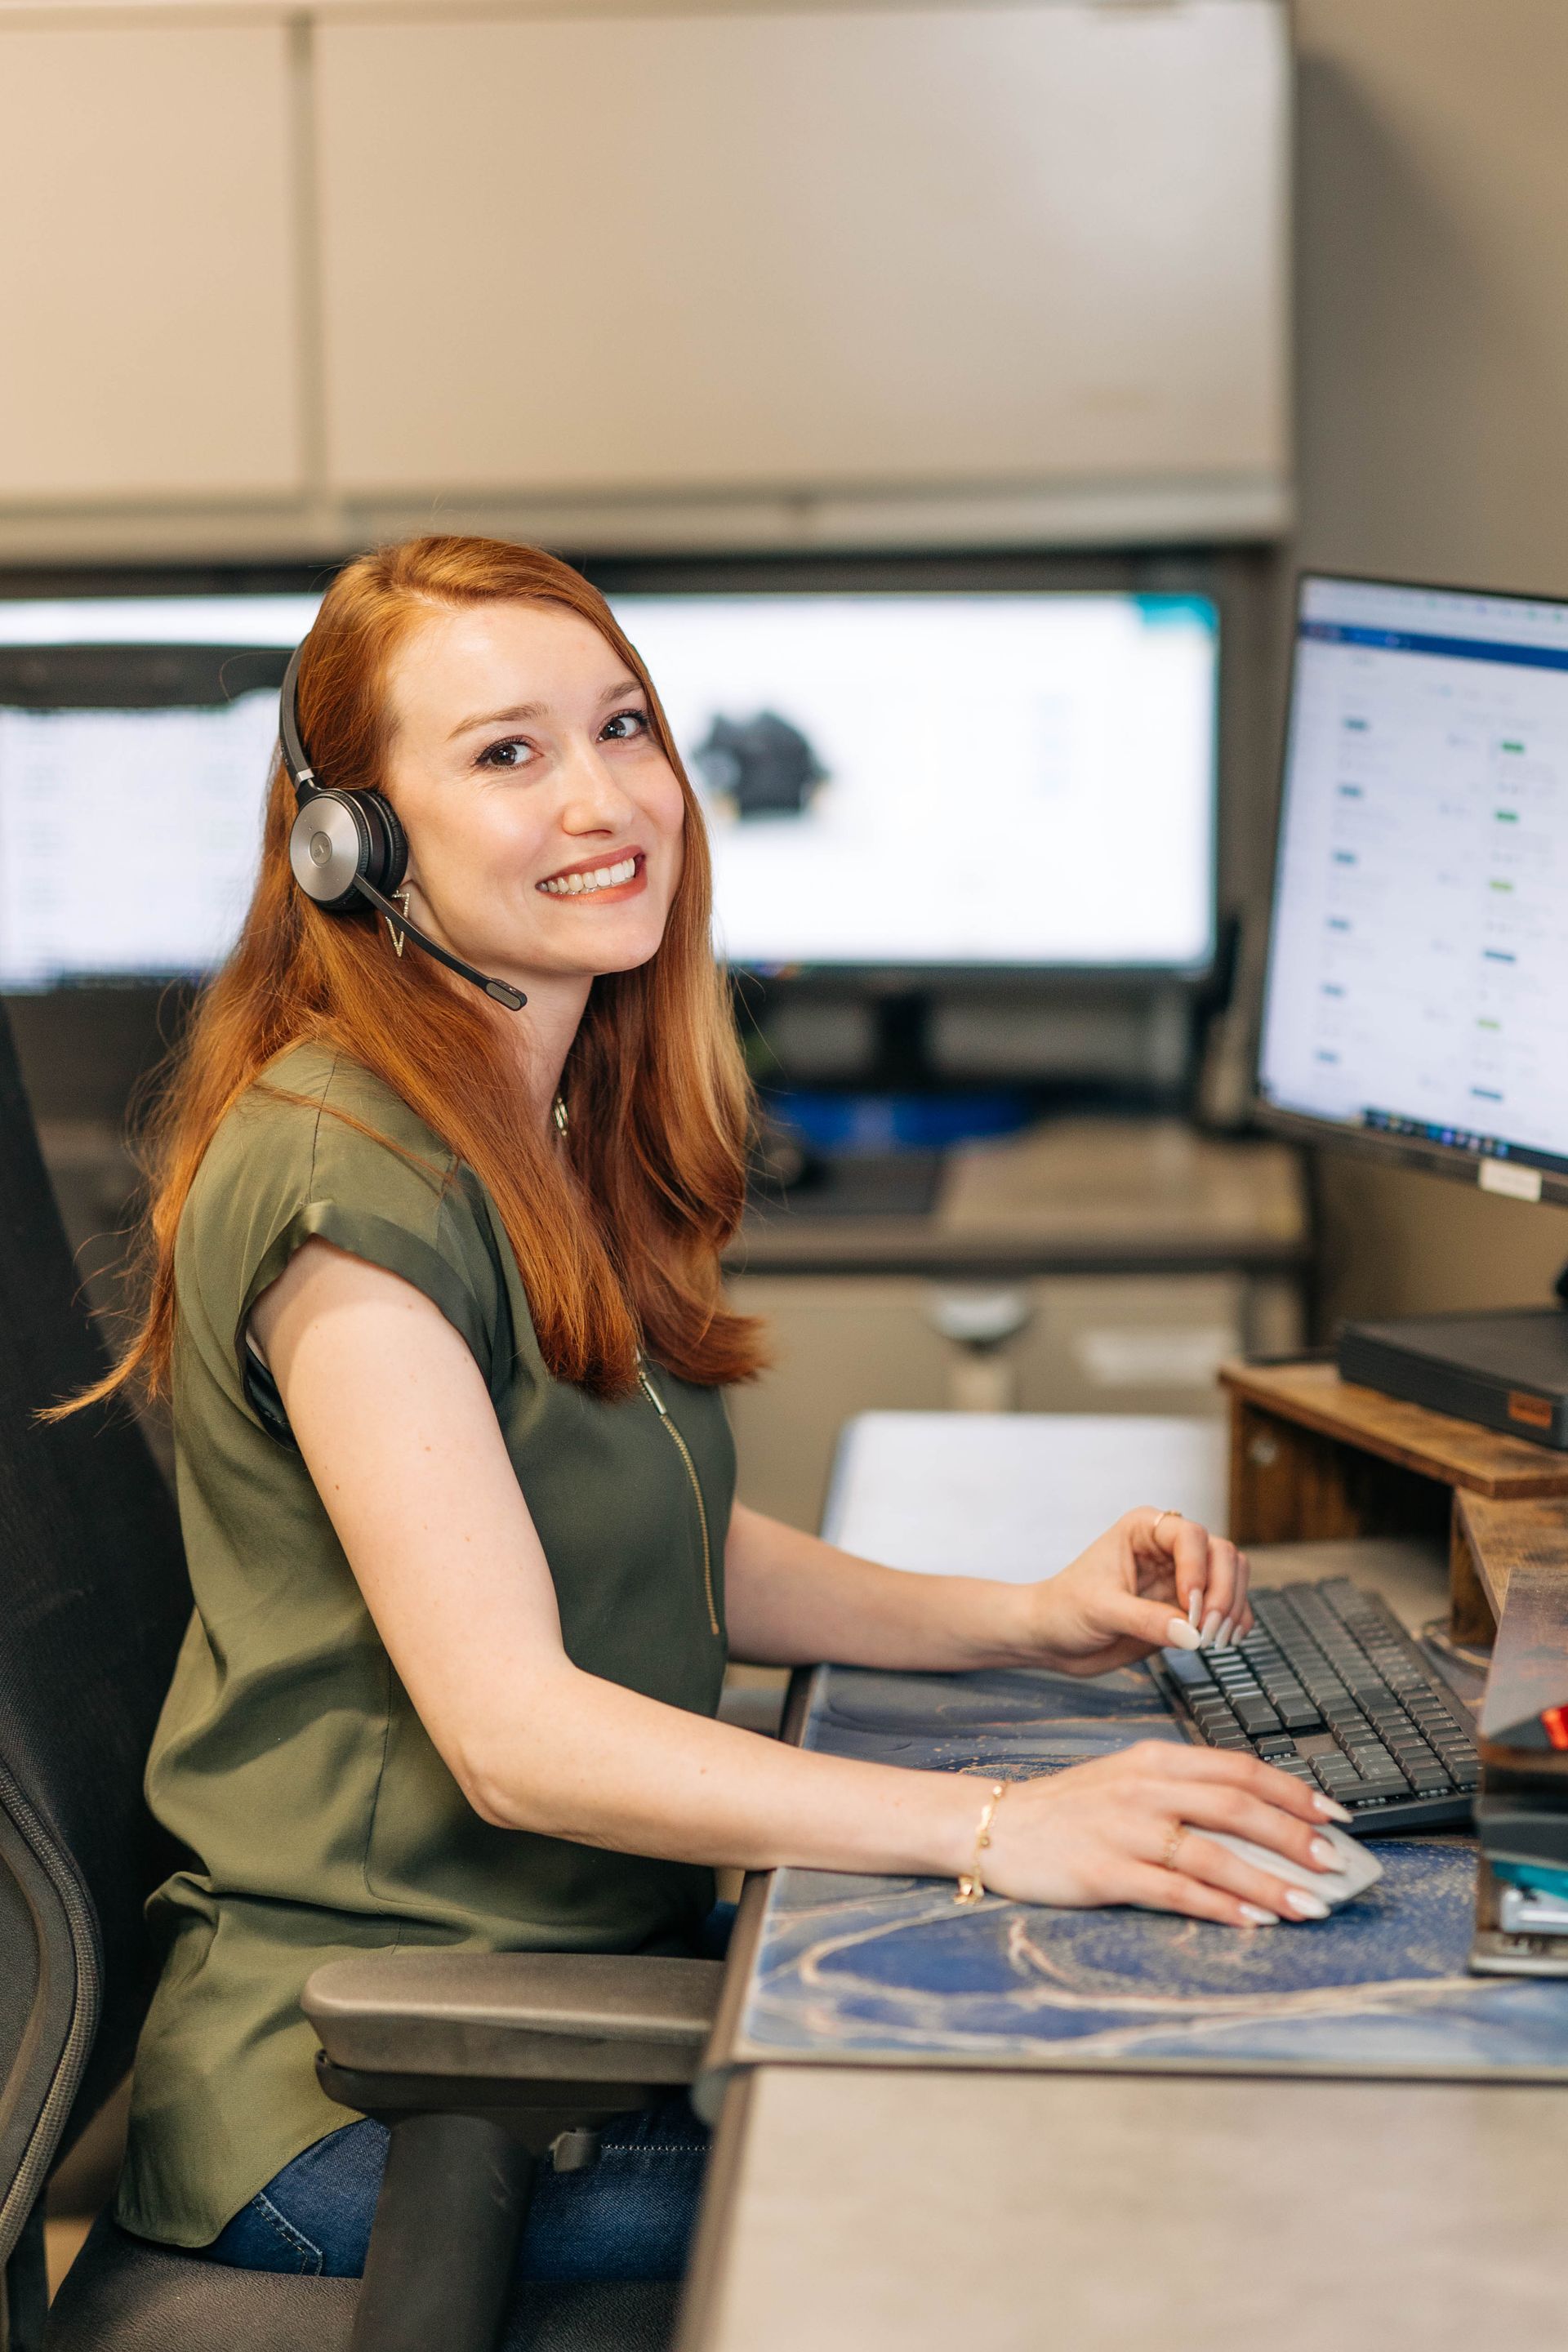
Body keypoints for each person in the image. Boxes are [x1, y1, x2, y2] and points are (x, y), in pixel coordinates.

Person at [74, 537, 1347, 2292]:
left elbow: (641, 1527)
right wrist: (995, 1831)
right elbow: (514, 1730)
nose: (607, 800)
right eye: (506, 754)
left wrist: (1026, 1623)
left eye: (622, 729)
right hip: (374, 2093)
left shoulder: (548, 1110)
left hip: (546, 2012)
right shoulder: (343, 1182)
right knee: (1088, 2172)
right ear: (352, 840)